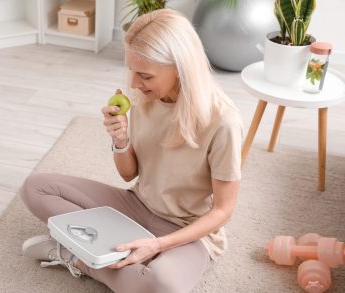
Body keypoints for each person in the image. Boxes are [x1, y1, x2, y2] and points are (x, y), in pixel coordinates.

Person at [20, 8, 242, 293]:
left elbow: (224, 210)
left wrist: (158, 245)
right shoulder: (141, 98)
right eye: (131, 71)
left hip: (186, 230)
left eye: (145, 75)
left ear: (179, 66)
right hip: (135, 206)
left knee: (163, 286)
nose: (135, 83)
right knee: (35, 188)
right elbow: (128, 175)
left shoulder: (223, 121)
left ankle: (76, 256)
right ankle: (108, 256)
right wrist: (121, 139)